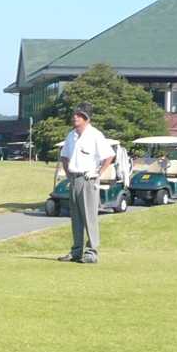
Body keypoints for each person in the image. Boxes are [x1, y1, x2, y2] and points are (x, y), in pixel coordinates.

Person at [57, 102, 114, 265]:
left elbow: (109, 156)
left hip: (88, 179)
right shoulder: (71, 135)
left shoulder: (95, 135)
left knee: (89, 216)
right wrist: (68, 174)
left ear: (87, 118)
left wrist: (98, 172)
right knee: (76, 217)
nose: (75, 117)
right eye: (75, 114)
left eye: (80, 115)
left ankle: (91, 252)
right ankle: (76, 251)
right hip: (74, 179)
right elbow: (64, 156)